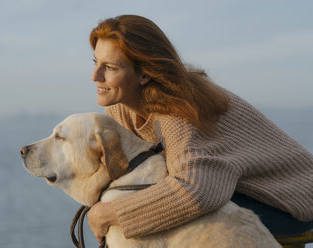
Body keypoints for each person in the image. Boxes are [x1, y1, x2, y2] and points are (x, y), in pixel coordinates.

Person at [86, 14, 313, 243]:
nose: (95, 76)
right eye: (96, 62)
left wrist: (112, 213)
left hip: (291, 203)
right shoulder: (121, 109)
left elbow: (195, 192)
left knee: (182, 215)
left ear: (145, 73)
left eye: (110, 68)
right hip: (239, 191)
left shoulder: (176, 110)